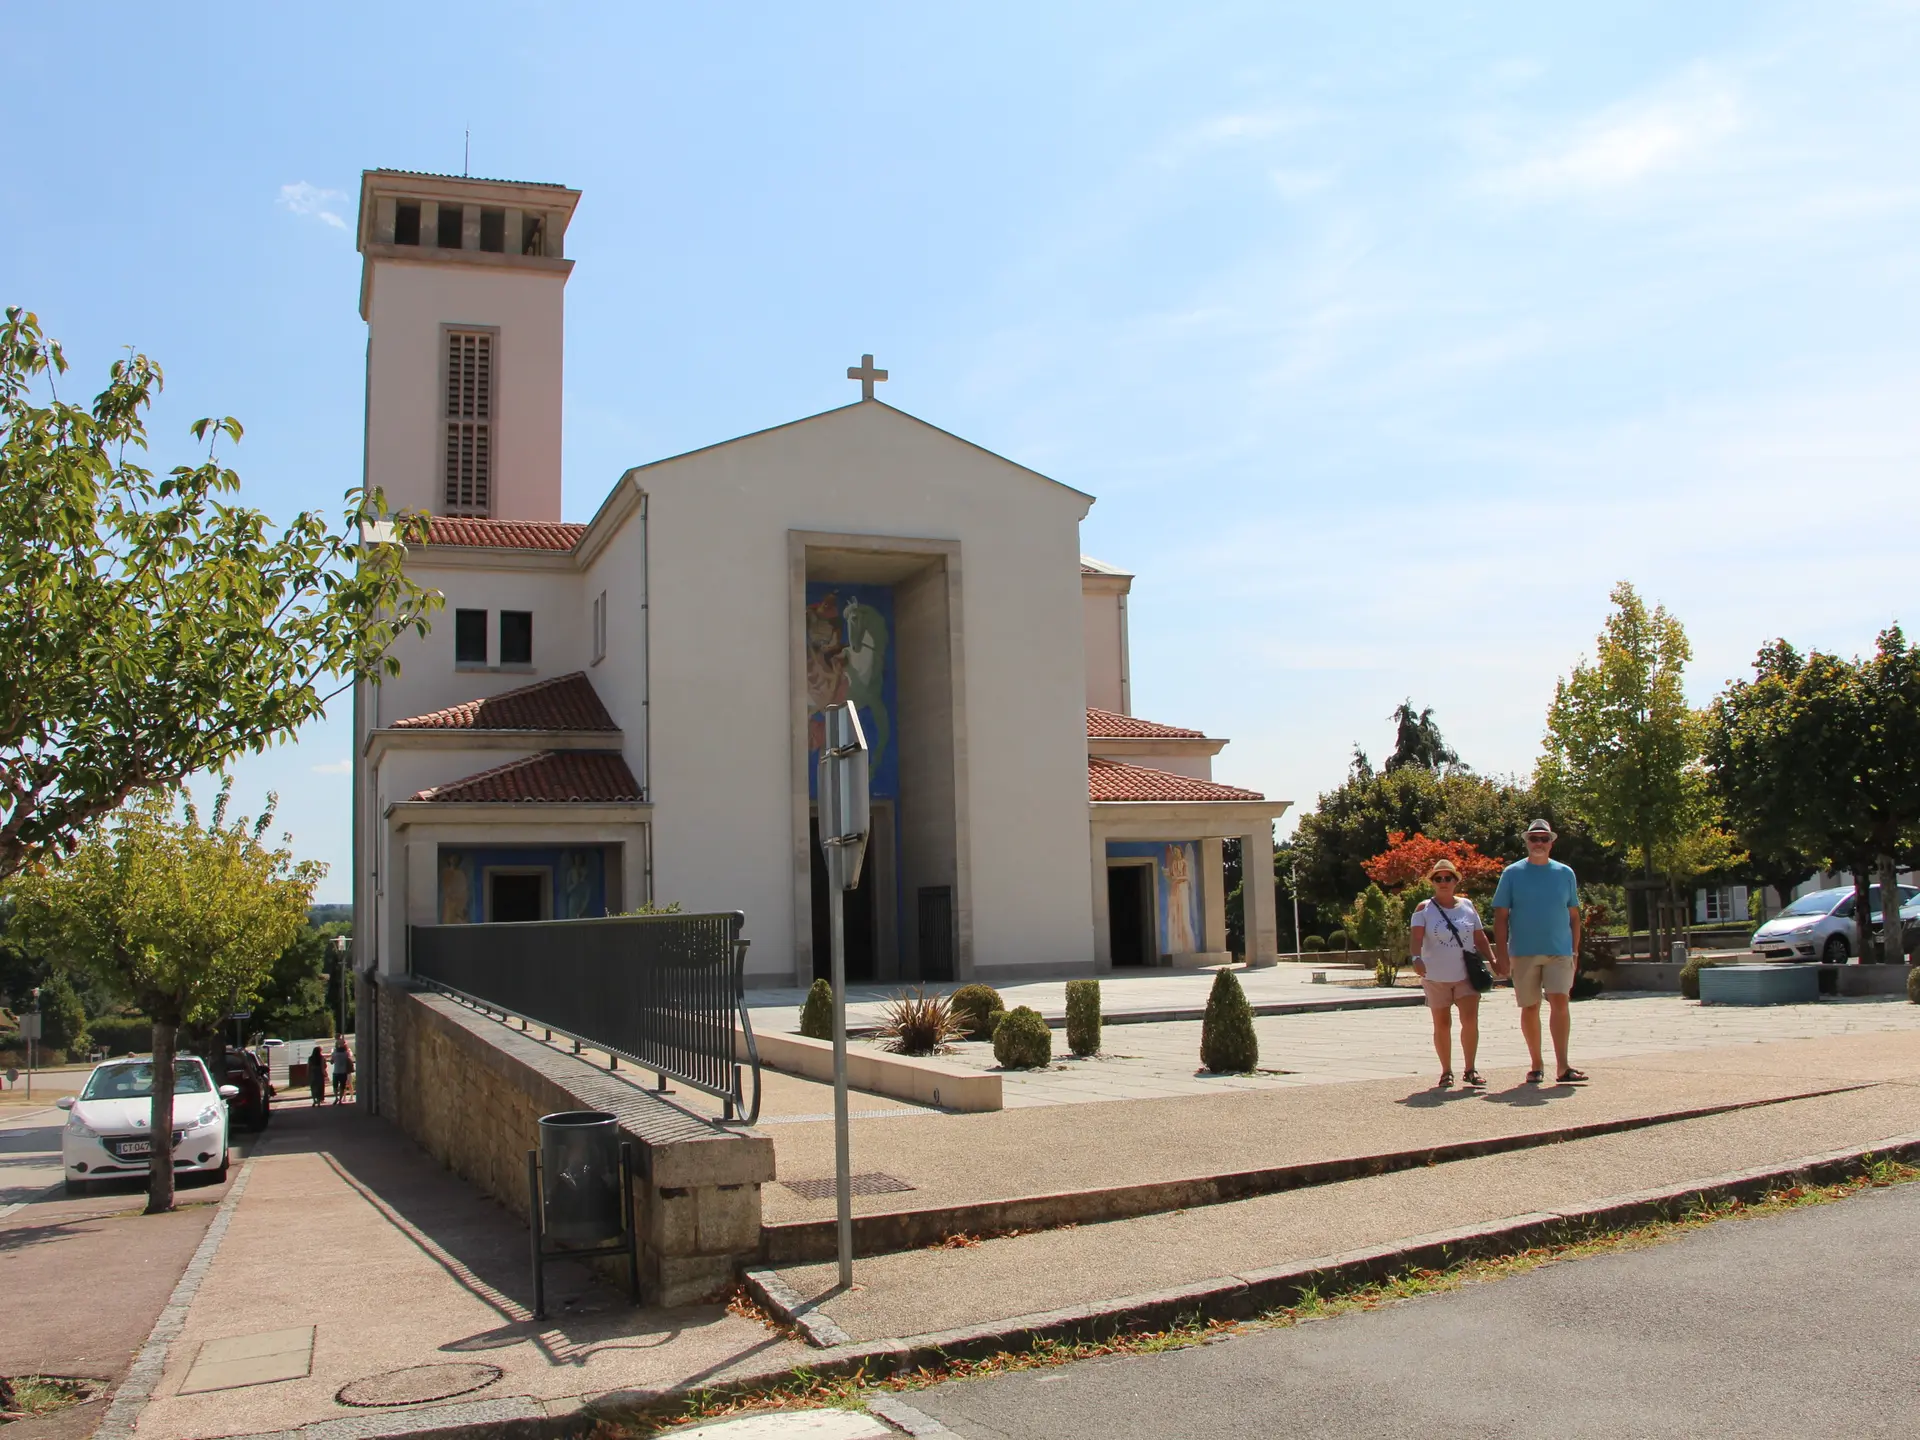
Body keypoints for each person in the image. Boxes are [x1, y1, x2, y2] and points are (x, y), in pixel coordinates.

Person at [1492, 818, 1588, 1084]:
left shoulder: (1565, 873)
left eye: (1544, 839)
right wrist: (1501, 954)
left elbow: (1574, 916)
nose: (1539, 843)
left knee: (1560, 1001)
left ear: (1551, 843)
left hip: (1559, 951)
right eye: (1534, 838)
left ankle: (1563, 1066)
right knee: (1530, 1006)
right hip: (1523, 951)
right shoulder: (1512, 873)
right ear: (1526, 842)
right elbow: (1500, 916)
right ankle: (1536, 1064)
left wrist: (1575, 951)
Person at [1408, 859, 1495, 1088]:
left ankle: (1470, 1069)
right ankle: (1446, 1071)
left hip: (1465, 973)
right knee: (1442, 1024)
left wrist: (1493, 958)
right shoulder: (1423, 908)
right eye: (1438, 878)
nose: (1443, 882)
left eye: (1448, 878)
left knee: (1470, 1021)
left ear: (1456, 880)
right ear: (1432, 882)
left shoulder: (1467, 905)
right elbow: (1416, 938)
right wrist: (1416, 958)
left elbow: (1479, 935)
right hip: (1436, 975)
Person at [329, 1036, 353, 1105]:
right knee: (342, 1086)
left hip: (336, 1071)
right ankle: (340, 1100)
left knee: (335, 1086)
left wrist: (332, 1055)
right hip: (343, 1072)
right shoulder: (346, 1053)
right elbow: (349, 1058)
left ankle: (336, 1097)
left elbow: (331, 1062)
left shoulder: (334, 1053)